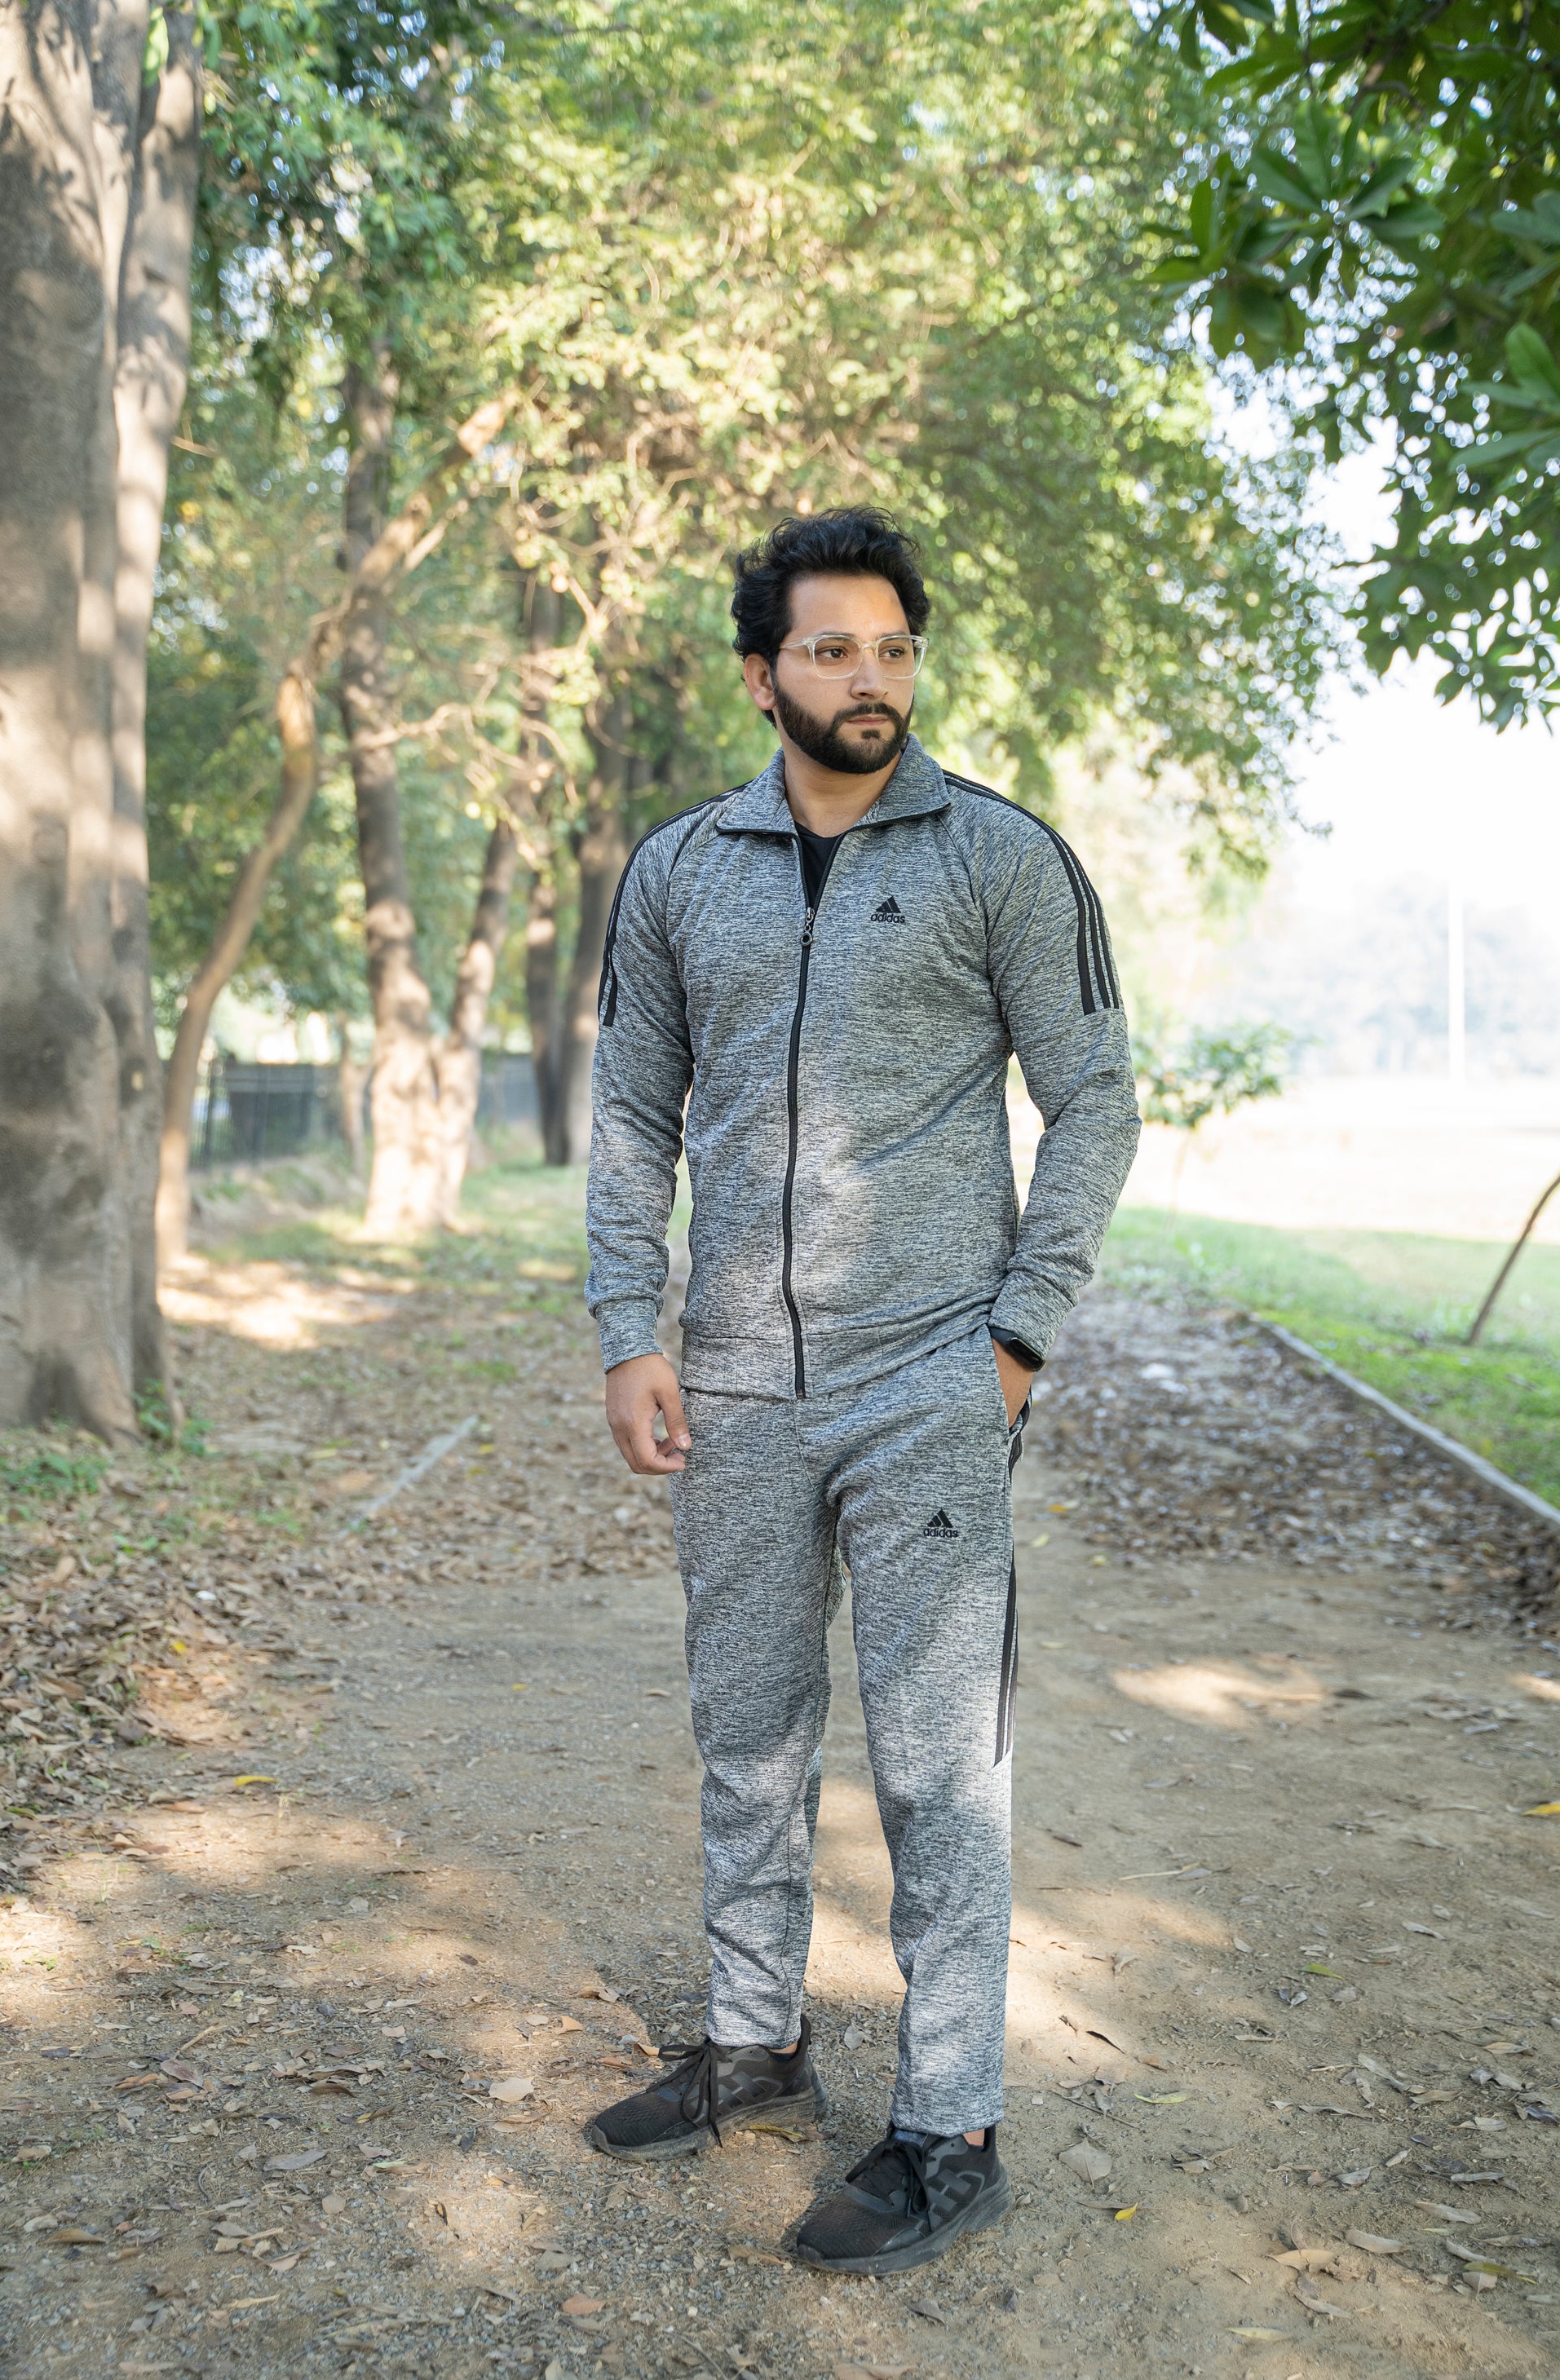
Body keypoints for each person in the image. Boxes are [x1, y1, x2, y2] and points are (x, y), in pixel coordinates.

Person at [582, 506, 1140, 2276]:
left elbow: (1096, 1098)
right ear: (762, 674)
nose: (870, 677)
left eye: (892, 648)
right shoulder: (679, 870)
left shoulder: (999, 857)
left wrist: (1016, 1337)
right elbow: (632, 1113)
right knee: (745, 1732)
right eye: (831, 649)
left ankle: (948, 2126)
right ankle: (754, 2045)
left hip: (929, 1382)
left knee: (936, 1768)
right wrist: (629, 1327)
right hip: (734, 1386)